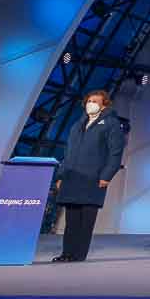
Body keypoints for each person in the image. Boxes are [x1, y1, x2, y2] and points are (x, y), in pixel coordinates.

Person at [51, 89, 125, 262]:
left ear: (104, 105)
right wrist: (61, 175)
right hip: (72, 178)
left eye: (95, 101)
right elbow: (68, 152)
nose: (90, 104)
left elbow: (115, 153)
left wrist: (106, 176)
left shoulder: (111, 123)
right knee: (71, 220)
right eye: (89, 101)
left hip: (93, 178)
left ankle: (78, 255)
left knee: (86, 221)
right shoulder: (77, 125)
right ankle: (66, 253)